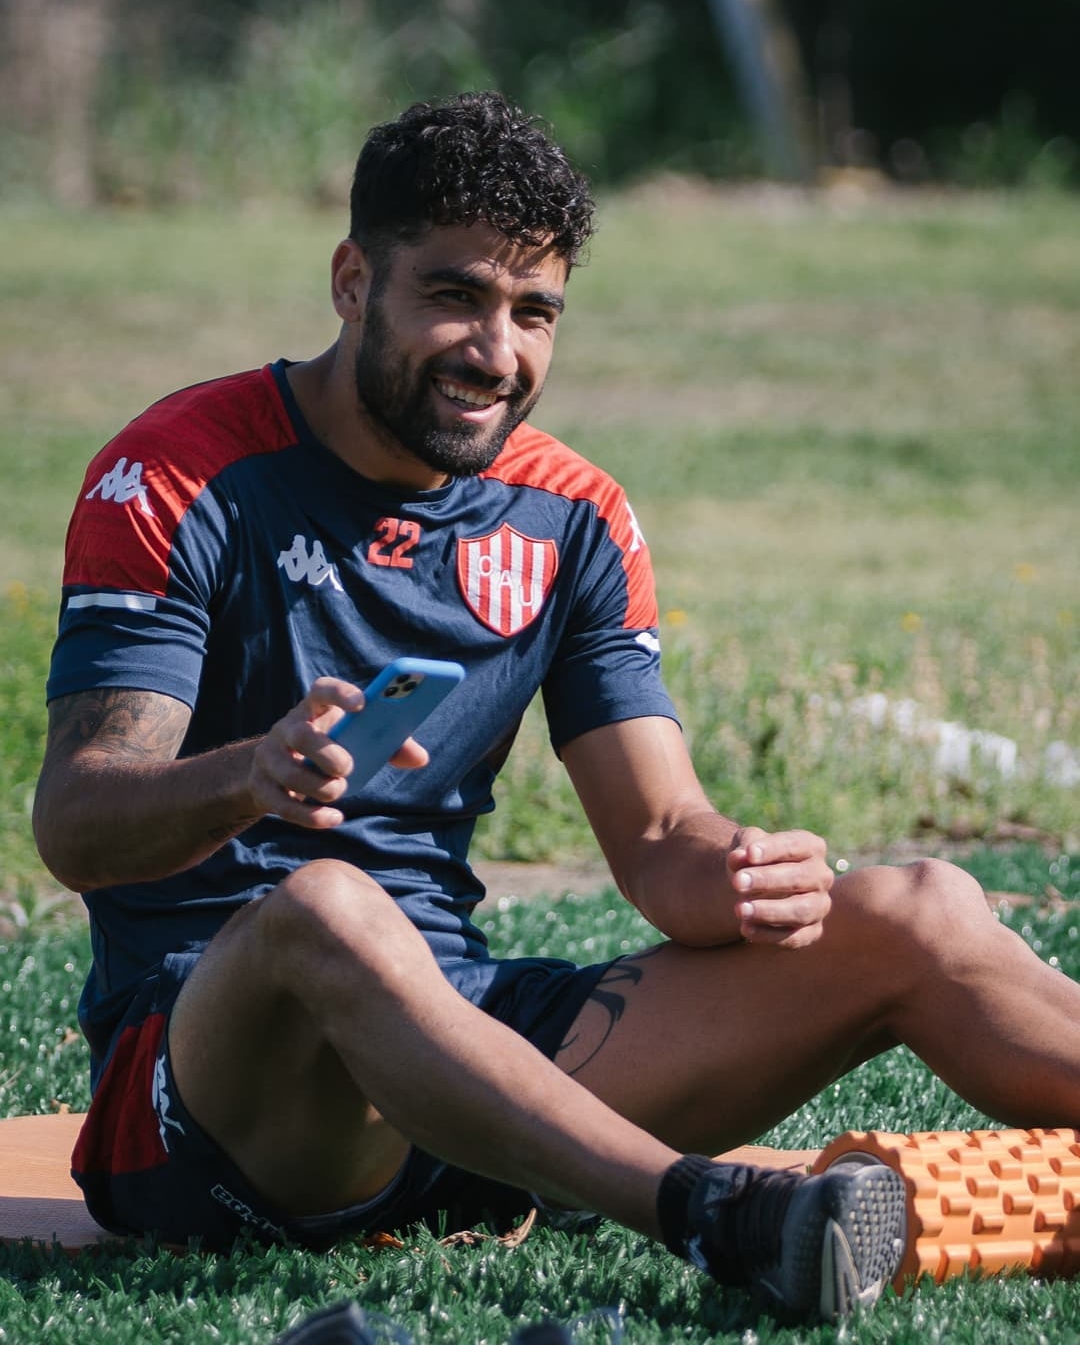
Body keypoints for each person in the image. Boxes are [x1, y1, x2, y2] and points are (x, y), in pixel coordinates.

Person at [32, 91, 1080, 1326]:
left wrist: (738, 871)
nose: (497, 352)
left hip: (467, 1062)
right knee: (327, 905)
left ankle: (575, 1159)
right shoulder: (174, 472)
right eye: (456, 296)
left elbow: (661, 838)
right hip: (225, 1102)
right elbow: (77, 821)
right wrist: (247, 774)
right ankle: (716, 1214)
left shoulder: (573, 512)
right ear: (353, 281)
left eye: (534, 312)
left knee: (923, 908)